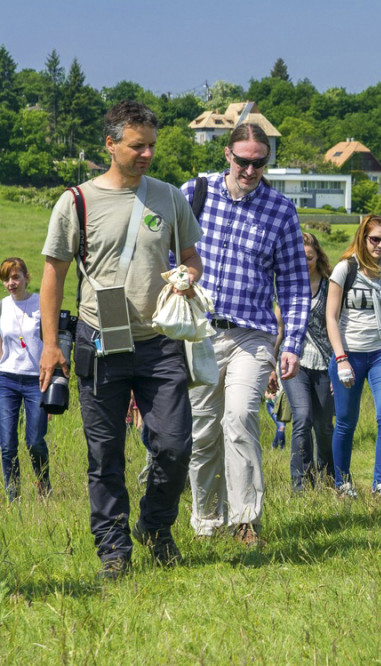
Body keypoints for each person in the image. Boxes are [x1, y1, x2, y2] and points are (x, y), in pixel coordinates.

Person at [39, 100, 203, 580]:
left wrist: (187, 276)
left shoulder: (170, 198)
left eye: (152, 145)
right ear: (110, 144)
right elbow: (53, 275)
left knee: (174, 446)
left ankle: (155, 526)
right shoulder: (77, 202)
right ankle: (114, 550)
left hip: (159, 343)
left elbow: (191, 257)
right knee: (105, 454)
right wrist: (52, 345)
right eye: (138, 146)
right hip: (98, 343)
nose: (147, 154)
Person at [182, 123, 310, 547]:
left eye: (259, 162)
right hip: (199, 332)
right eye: (243, 160)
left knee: (238, 418)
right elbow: (164, 253)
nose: (250, 169)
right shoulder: (193, 194)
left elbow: (293, 284)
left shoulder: (280, 210)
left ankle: (244, 521)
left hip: (251, 336)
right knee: (202, 433)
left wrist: (291, 344)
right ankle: (205, 519)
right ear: (227, 155)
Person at [326, 215, 381, 498]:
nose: (380, 245)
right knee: (346, 420)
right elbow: (331, 317)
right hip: (350, 353)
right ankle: (342, 483)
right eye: (374, 239)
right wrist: (340, 357)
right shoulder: (345, 268)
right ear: (362, 238)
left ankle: (380, 483)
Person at [281, 232, 336, 492]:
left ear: (318, 257)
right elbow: (279, 327)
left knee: (324, 426)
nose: (305, 263)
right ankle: (300, 482)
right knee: (302, 417)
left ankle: (327, 475)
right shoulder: (288, 287)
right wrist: (272, 364)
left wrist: (341, 365)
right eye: (300, 258)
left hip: (326, 363)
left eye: (310, 258)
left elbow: (340, 325)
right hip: (296, 363)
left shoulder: (331, 285)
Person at [0, 257, 51, 501]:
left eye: (15, 277)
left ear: (26, 278)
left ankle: (44, 487)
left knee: (35, 442)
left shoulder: (40, 304)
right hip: (6, 380)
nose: (11, 283)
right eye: (6, 279)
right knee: (8, 445)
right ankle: (14, 497)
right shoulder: (2, 306)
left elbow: (52, 341)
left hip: (35, 381)